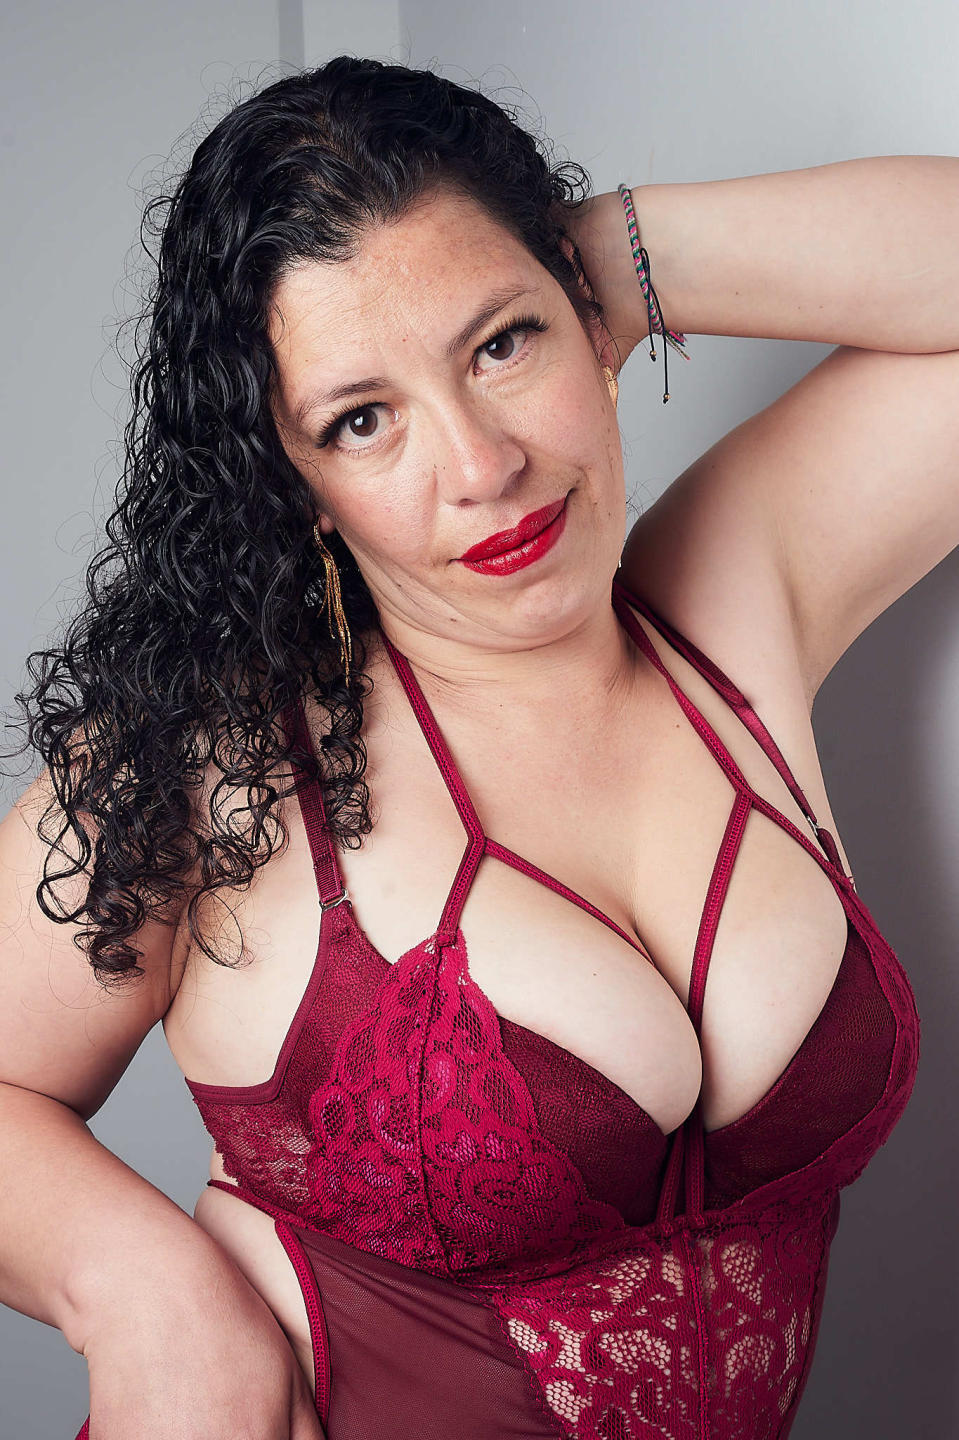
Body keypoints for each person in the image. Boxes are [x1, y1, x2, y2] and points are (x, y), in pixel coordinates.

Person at [3, 52, 956, 1440]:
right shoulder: (222, 761)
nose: (480, 464)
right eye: (362, 421)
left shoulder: (735, 601)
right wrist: (140, 1292)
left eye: (502, 346)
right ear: (297, 484)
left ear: (590, 319)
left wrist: (599, 258)